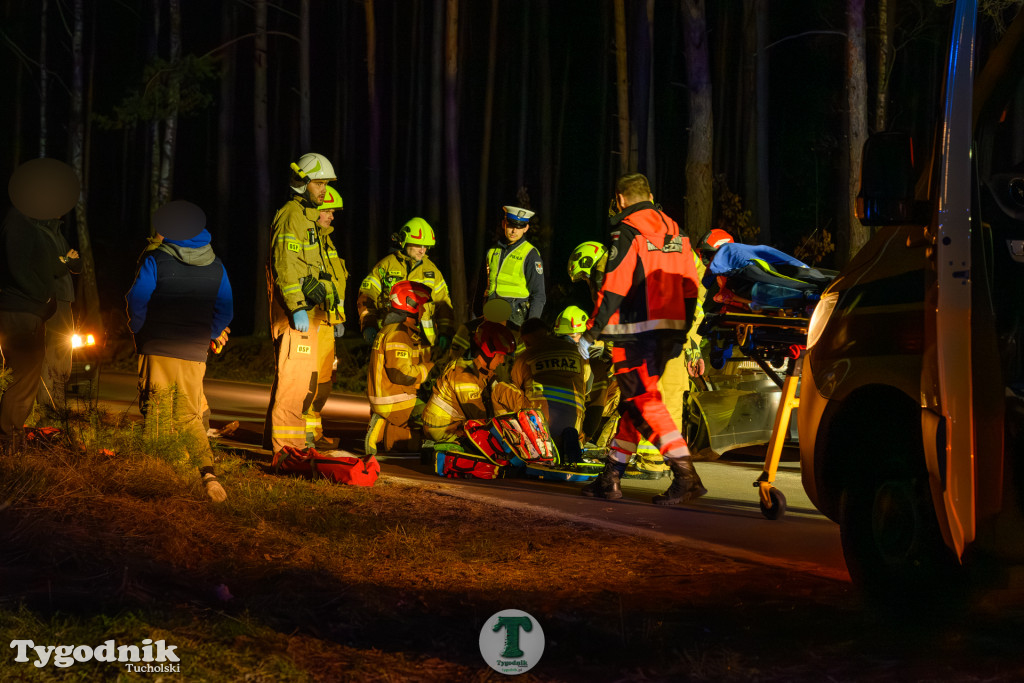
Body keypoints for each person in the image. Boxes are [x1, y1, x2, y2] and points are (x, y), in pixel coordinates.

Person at [578, 172, 705, 505]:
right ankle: (612, 475)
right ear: (649, 196)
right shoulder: (677, 232)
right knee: (634, 404)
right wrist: (683, 331)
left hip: (634, 335)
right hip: (669, 333)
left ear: (620, 200)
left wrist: (592, 332)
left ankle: (685, 476)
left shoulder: (628, 232)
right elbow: (691, 285)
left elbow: (614, 286)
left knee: (643, 404)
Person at [125, 200, 233, 502]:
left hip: (157, 347)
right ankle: (207, 474)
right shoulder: (217, 265)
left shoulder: (156, 259)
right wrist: (208, 334)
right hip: (194, 352)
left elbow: (137, 299)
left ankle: (159, 476)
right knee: (189, 416)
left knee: (157, 411)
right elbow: (225, 309)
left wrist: (140, 330)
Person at [0, 159, 79, 455]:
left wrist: (61, 265)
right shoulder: (19, 222)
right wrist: (41, 297)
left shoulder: (28, 224)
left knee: (23, 378)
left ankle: (11, 440)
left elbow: (52, 265)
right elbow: (18, 268)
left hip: (28, 311)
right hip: (23, 311)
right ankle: (9, 444)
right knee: (22, 380)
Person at [264, 153, 340, 456]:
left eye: (326, 184)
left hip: (310, 314)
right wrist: (296, 306)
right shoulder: (292, 215)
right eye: (319, 183)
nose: (324, 190)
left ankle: (287, 447)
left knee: (298, 385)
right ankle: (286, 451)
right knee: (294, 385)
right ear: (301, 182)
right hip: (295, 314)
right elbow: (285, 264)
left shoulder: (306, 218)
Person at [357, 217, 454, 353]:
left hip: (423, 345)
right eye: (418, 245)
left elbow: (443, 304)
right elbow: (367, 295)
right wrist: (368, 324)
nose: (422, 251)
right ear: (404, 241)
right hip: (389, 339)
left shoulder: (432, 272)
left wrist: (445, 332)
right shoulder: (385, 267)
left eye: (425, 246)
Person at [422, 322, 526, 447]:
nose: (502, 360)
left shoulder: (482, 371)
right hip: (441, 431)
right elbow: (479, 418)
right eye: (500, 355)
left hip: (454, 425)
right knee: (493, 445)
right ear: (488, 351)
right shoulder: (464, 374)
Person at [364, 280, 434, 455]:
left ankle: (384, 432)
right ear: (411, 305)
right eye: (422, 306)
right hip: (396, 400)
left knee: (412, 444)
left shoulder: (392, 329)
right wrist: (428, 370)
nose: (424, 311)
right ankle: (383, 421)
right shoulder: (399, 333)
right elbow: (401, 375)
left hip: (389, 397)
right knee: (437, 418)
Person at [306, 185, 349, 449]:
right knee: (308, 382)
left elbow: (336, 284)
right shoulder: (309, 239)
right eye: (328, 211)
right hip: (312, 322)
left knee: (323, 382)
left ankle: (314, 432)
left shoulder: (326, 242)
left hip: (328, 322)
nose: (332, 216)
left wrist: (339, 318)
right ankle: (301, 434)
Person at [511, 316, 589, 460]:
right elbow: (588, 384)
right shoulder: (576, 351)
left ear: (525, 341)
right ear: (547, 332)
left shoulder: (525, 357)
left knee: (505, 392)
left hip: (541, 430)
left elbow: (515, 389)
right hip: (575, 424)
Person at [36, 217, 81, 412]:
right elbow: (44, 266)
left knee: (63, 350)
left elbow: (77, 265)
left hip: (64, 298)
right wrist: (66, 260)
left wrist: (70, 261)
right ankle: (46, 405)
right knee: (49, 350)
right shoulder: (37, 231)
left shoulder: (58, 234)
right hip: (48, 298)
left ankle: (57, 404)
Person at [477, 205, 546, 330]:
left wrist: (531, 328)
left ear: (526, 228)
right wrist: (477, 313)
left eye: (519, 227)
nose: (514, 230)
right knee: (464, 334)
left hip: (514, 318)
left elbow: (538, 295)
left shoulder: (531, 254)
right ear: (504, 224)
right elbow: (482, 286)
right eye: (511, 225)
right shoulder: (492, 251)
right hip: (490, 313)